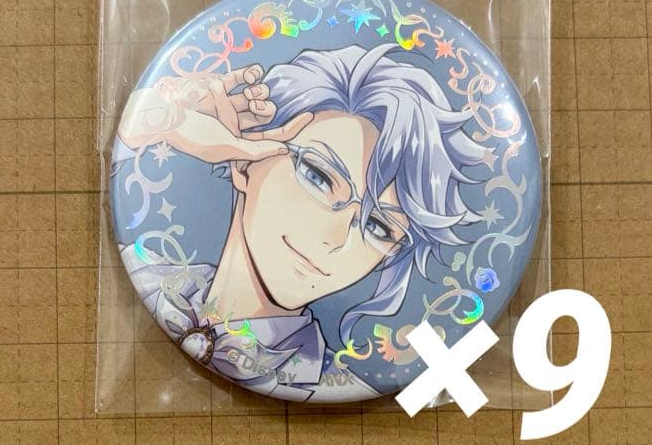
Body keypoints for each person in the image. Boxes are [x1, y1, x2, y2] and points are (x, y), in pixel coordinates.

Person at [115, 43, 489, 401]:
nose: (335, 240)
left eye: (378, 227)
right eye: (319, 177)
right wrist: (159, 119)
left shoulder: (340, 385)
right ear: (245, 159)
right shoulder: (146, 272)